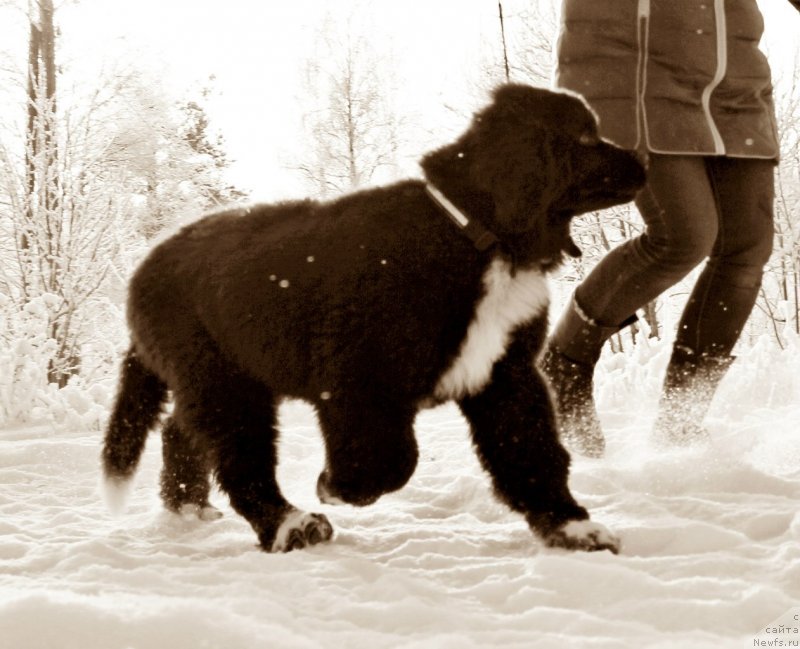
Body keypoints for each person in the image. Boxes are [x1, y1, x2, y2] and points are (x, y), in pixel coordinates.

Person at [540, 0, 800, 458]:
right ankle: (564, 362)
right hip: (635, 68)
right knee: (683, 236)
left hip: (734, 79)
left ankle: (681, 421)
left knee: (746, 250)